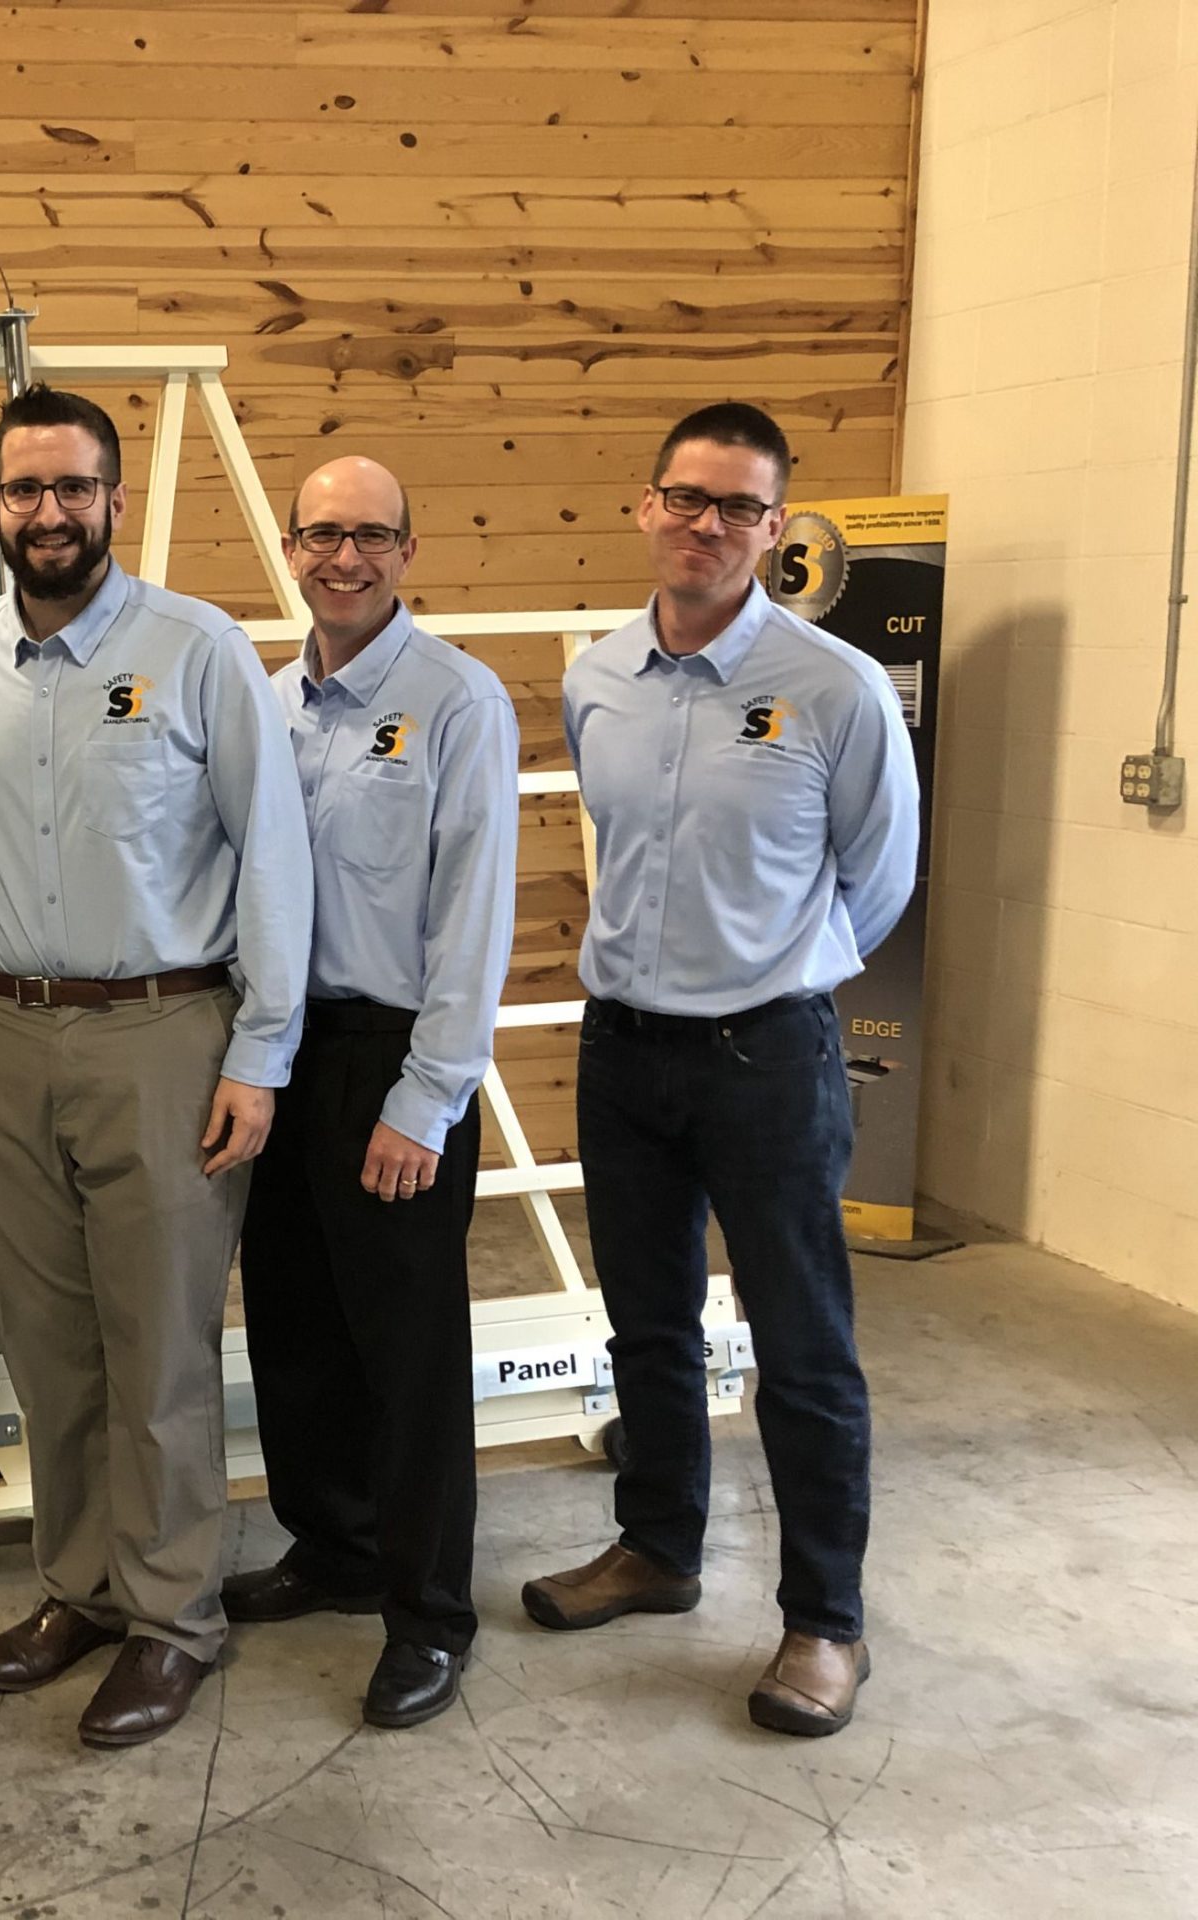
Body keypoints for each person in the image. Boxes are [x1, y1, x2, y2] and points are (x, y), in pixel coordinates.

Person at [522, 403, 919, 1738]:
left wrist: (776, 972)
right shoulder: (596, 676)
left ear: (775, 531)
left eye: (740, 509)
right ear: (646, 506)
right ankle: (659, 1548)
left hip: (768, 1057)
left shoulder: (834, 687)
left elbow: (880, 877)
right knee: (644, 1323)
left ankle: (826, 1624)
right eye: (686, 499)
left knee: (802, 1350)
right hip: (624, 1051)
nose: (707, 527)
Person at [0, 385, 313, 1747]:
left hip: (163, 1033)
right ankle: (79, 1589)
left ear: (113, 495)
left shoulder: (199, 650)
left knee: (157, 1350)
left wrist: (259, 1054)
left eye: (73, 488)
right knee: (49, 1348)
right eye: (24, 490)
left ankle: (172, 1618)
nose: (49, 513)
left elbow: (274, 859)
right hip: (1, 1038)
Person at [231, 455, 518, 1728]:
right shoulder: (265, 699)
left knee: (404, 1352)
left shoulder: (457, 702)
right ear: (290, 547)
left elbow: (474, 915)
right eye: (321, 535)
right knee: (294, 1325)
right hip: (275, 1050)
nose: (343, 559)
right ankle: (333, 1548)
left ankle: (426, 1612)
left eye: (371, 537)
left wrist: (428, 1096)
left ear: (410, 549)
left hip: (387, 1056)